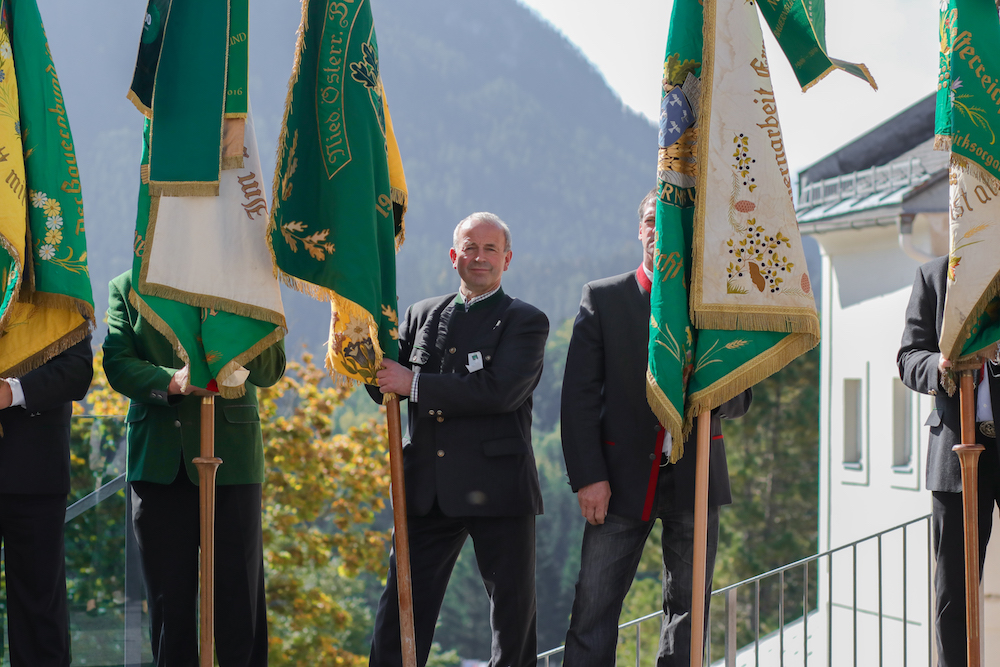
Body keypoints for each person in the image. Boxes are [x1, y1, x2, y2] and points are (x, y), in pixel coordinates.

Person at [560, 190, 751, 665]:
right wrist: (588, 477)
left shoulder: (714, 310)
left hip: (696, 480)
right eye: (651, 220)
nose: (660, 230)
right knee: (593, 610)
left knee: (689, 614)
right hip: (617, 482)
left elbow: (742, 400)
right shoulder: (603, 298)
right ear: (639, 229)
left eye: (671, 223)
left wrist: (705, 382)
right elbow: (578, 400)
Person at [368, 212, 549, 667]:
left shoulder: (525, 321)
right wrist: (362, 348)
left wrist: (412, 384)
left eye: (490, 249)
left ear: (507, 259)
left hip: (499, 488)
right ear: (454, 256)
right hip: (428, 489)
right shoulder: (420, 314)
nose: (480, 257)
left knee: (512, 621)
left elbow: (500, 391)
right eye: (470, 247)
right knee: (400, 615)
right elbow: (384, 386)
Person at [102, 271, 285, 667]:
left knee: (241, 604)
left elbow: (272, 369)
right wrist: (173, 382)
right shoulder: (127, 286)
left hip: (232, 459)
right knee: (170, 612)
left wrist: (239, 320)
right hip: (159, 462)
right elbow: (117, 363)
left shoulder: (245, 281)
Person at [897, 254, 1000, 667]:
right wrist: (940, 366)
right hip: (955, 455)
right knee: (953, 595)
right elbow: (907, 358)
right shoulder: (933, 275)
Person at [0, 336, 93, 666]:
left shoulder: (58, 288)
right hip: (38, 469)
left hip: (36, 470)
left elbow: (77, 371)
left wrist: (12, 391)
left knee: (40, 614)